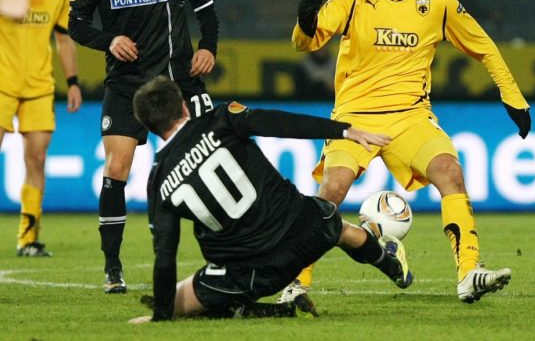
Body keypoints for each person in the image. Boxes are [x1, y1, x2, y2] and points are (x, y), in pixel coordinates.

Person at [285, 0, 531, 304]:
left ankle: (469, 273)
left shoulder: (437, 2)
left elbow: (484, 46)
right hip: (354, 118)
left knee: (450, 172)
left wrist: (513, 96)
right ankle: (297, 285)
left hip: (410, 118)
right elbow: (307, 43)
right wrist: (304, 24)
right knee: (331, 191)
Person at [127, 76, 412, 323]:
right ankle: (390, 264)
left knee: (177, 300)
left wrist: (162, 316)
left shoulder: (160, 181)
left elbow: (165, 256)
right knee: (335, 223)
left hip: (251, 275)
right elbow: (279, 123)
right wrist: (343, 130)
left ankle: (269, 310)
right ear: (184, 106)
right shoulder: (221, 119)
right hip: (307, 235)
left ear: (149, 126)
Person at [68, 0, 220, 294]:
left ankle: (223, 256)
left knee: (207, 167)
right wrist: (109, 40)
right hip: (126, 84)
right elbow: (75, 22)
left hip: (178, 82)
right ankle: (113, 267)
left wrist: (208, 47)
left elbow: (206, 7)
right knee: (116, 169)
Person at [0, 0, 82, 257]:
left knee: (36, 159)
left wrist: (73, 81)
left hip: (39, 87)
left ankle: (28, 238)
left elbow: (64, 39)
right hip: (2, 83)